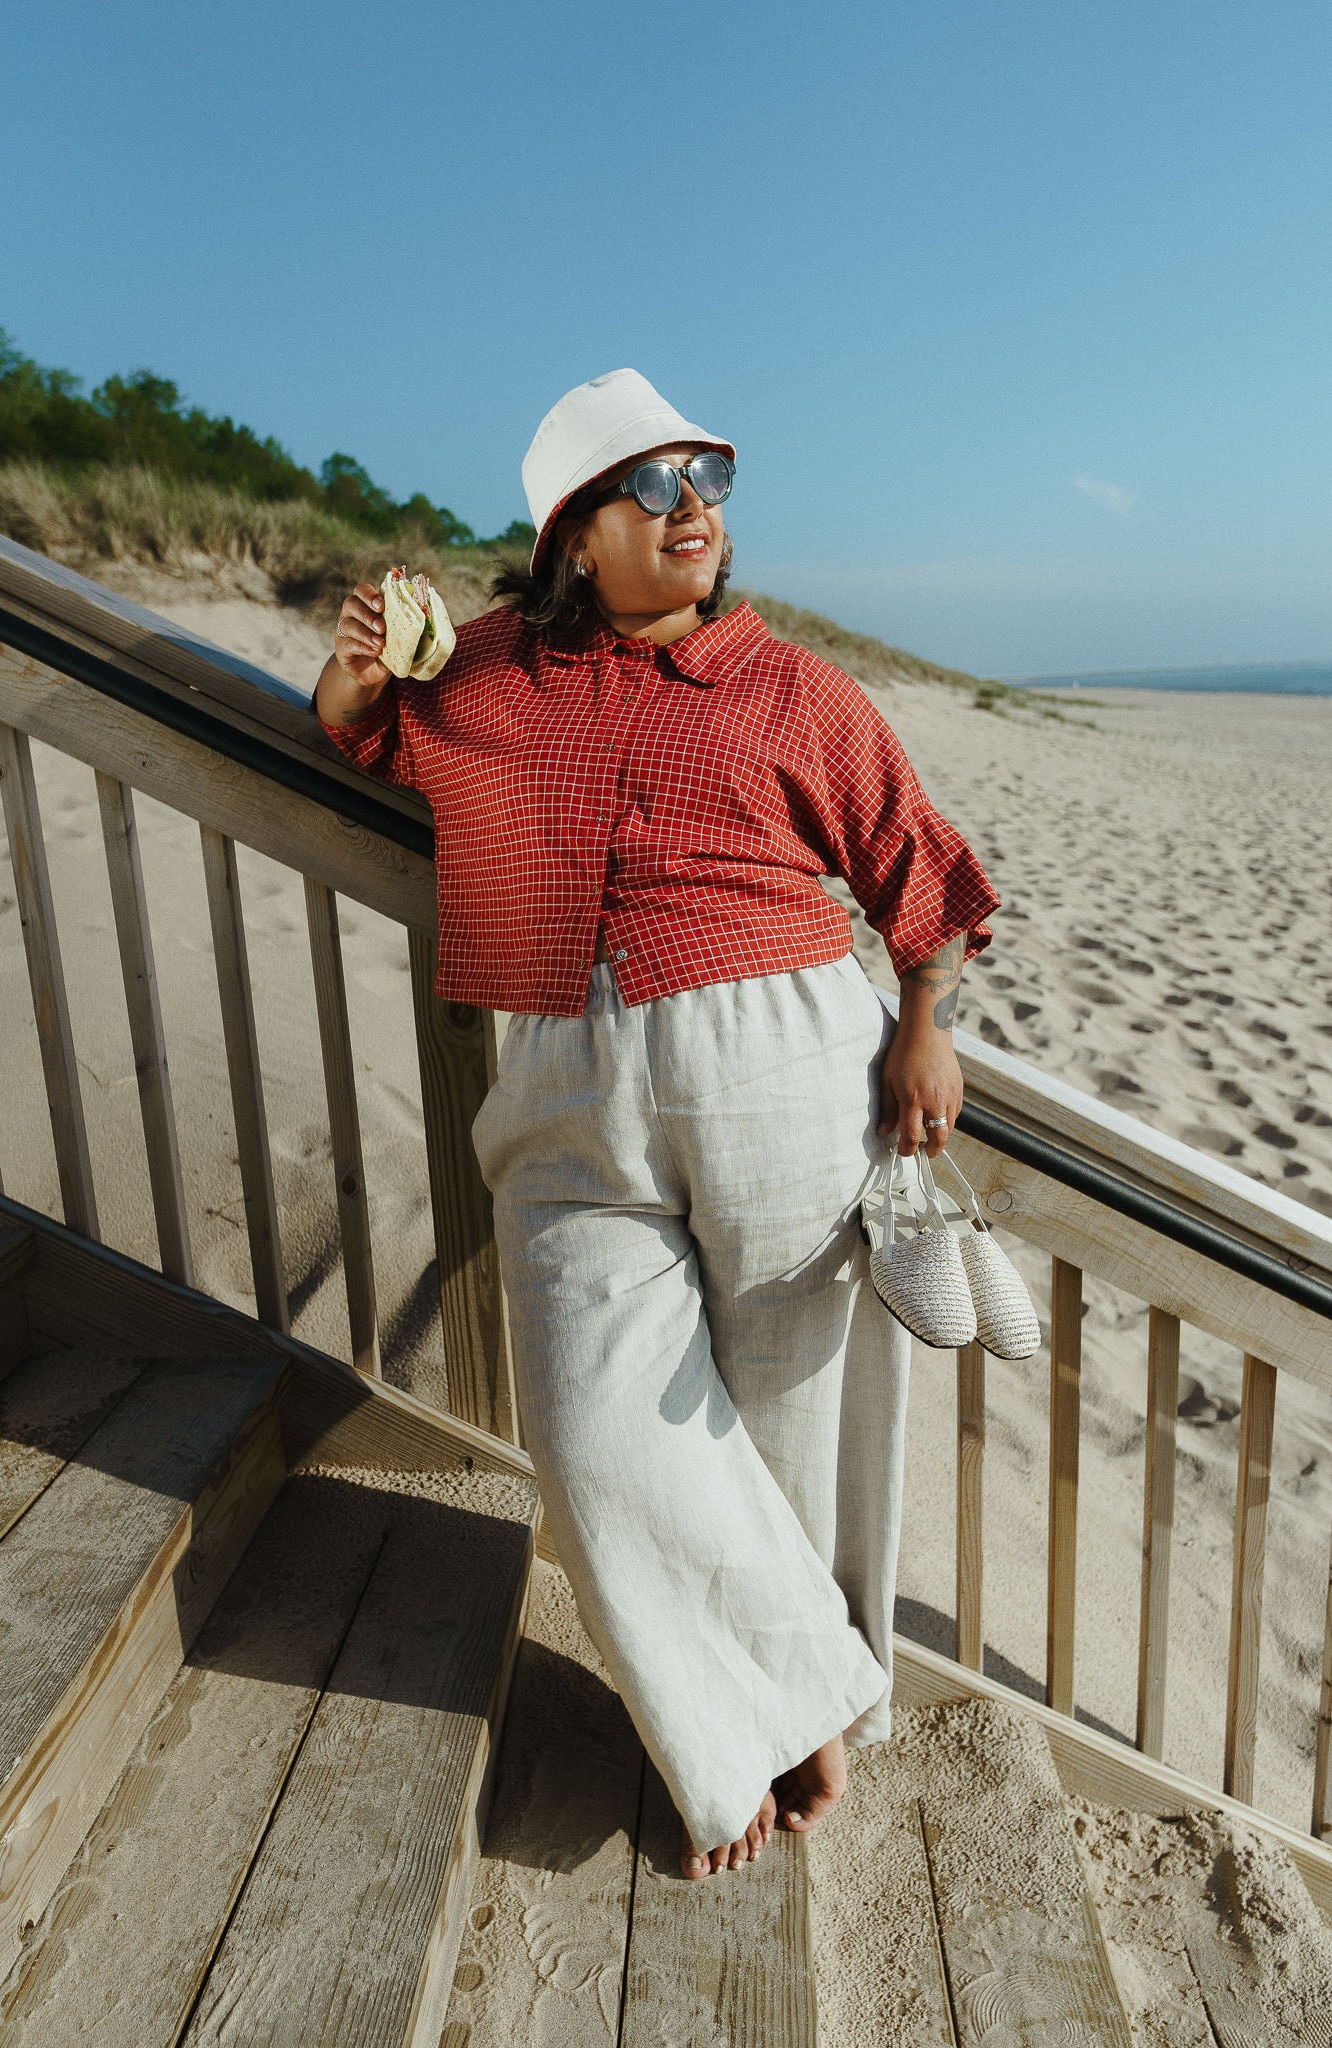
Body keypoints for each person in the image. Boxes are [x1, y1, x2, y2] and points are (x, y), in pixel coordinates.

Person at [312, 368, 1001, 1881]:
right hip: (562, 1090)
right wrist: (358, 667)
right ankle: (810, 1678)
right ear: (572, 538)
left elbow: (922, 877)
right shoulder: (480, 674)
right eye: (654, 485)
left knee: (780, 1425)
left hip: (787, 1070)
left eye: (708, 481)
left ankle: (757, 1726)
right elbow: (358, 737)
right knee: (594, 1436)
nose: (693, 510)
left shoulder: (797, 689)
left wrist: (926, 1032)